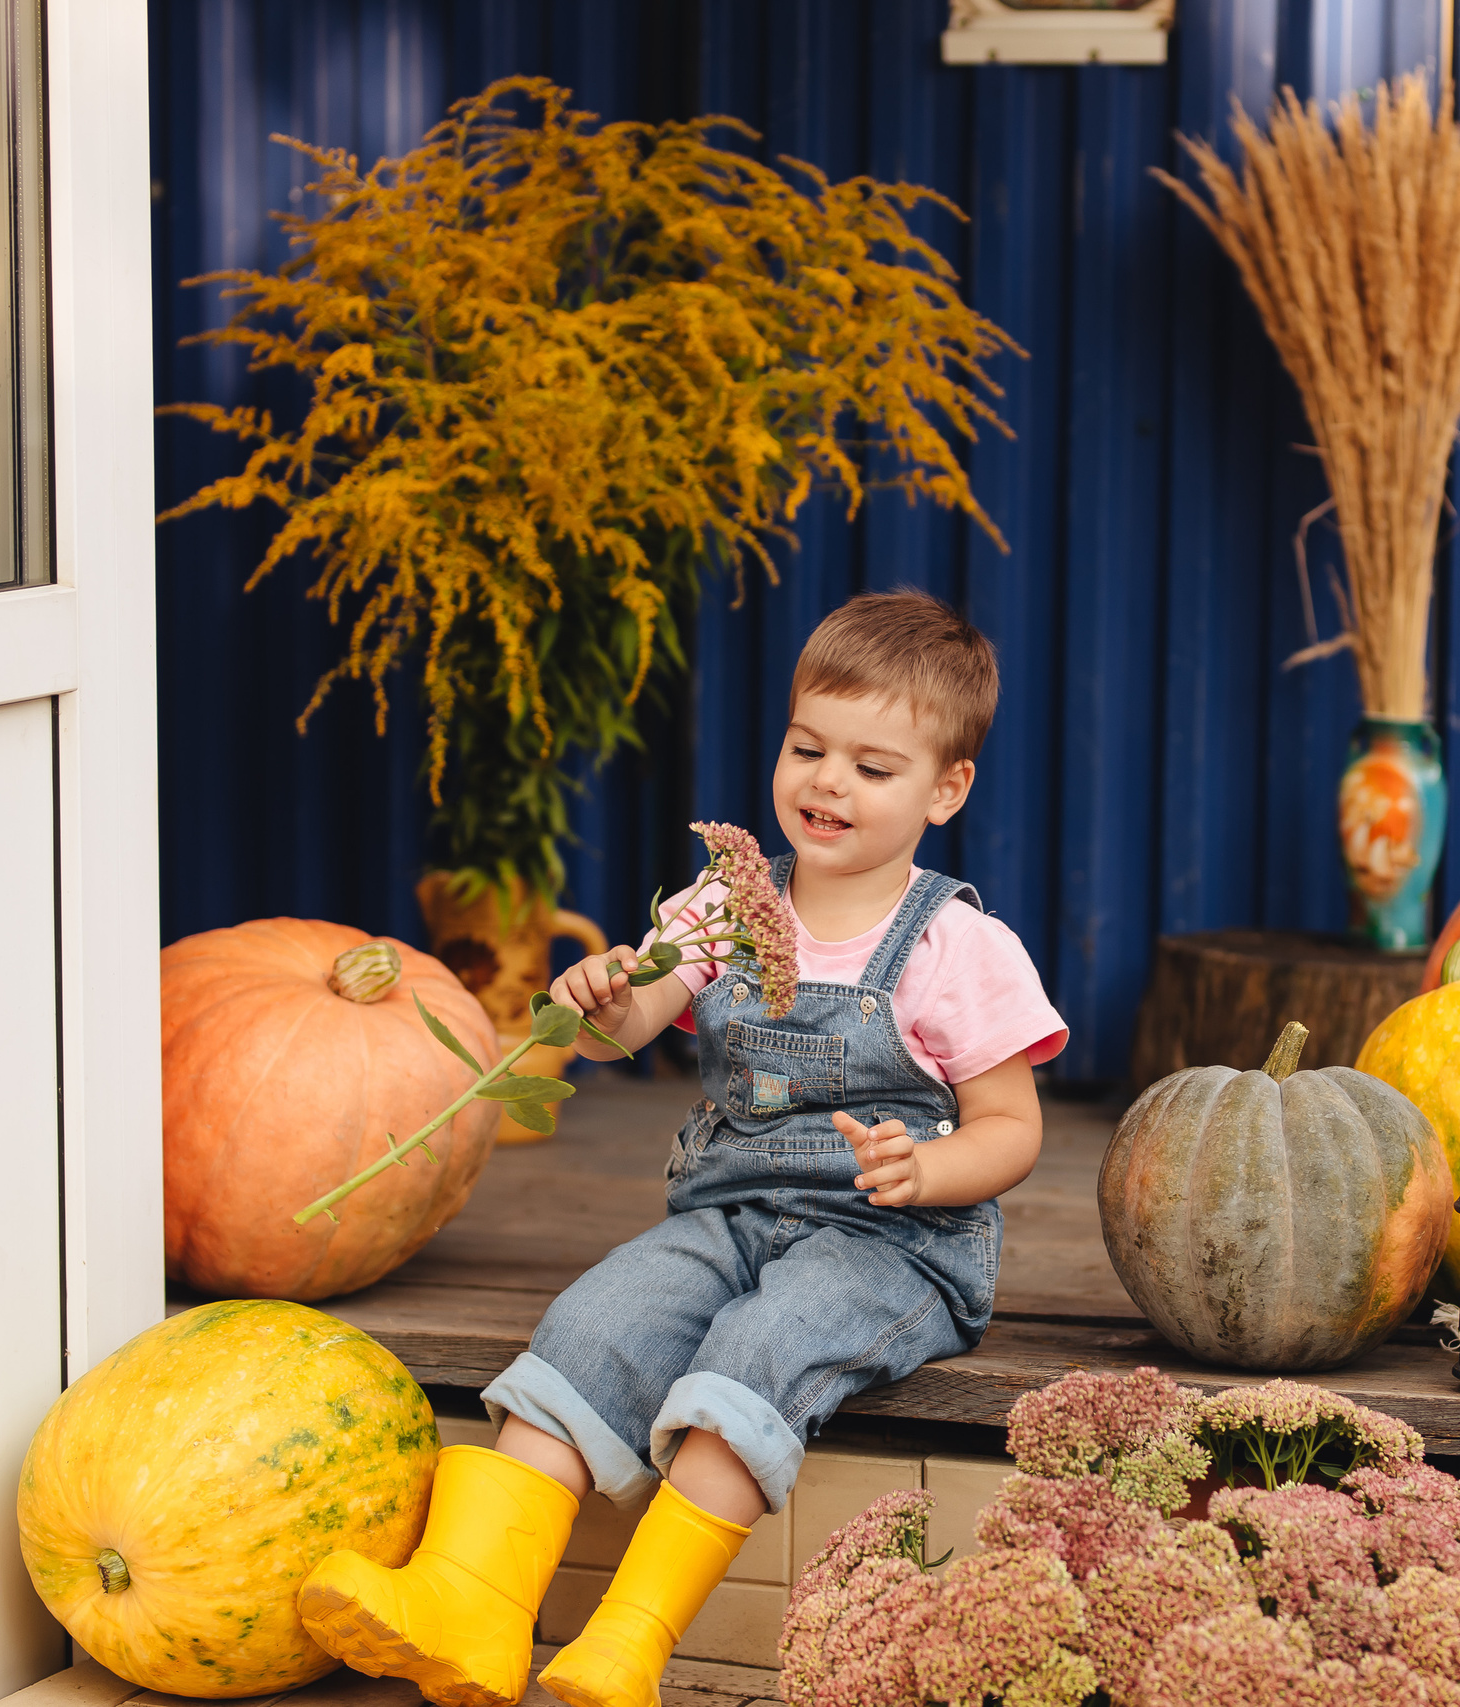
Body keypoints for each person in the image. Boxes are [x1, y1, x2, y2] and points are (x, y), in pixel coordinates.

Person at [297, 590, 1068, 1707]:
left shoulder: (957, 945)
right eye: (807, 748)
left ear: (946, 790)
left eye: (871, 767)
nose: (826, 783)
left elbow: (1014, 1127)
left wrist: (927, 1168)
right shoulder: (726, 905)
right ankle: (472, 1603)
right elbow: (630, 1030)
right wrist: (597, 996)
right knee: (593, 1324)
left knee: (756, 1353)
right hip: (730, 1212)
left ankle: (628, 1642)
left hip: (892, 1243)